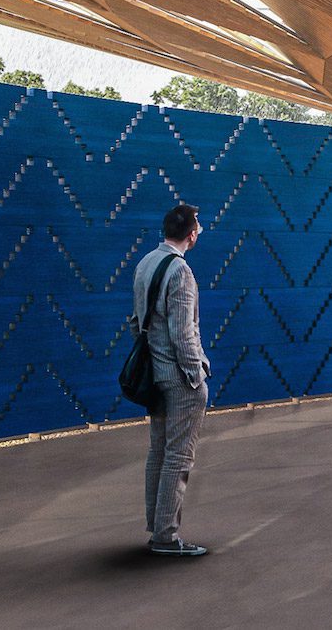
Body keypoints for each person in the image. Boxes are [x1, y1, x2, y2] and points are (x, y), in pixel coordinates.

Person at [132, 203, 213, 555]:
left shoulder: (146, 262)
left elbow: (136, 322)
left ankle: (157, 526)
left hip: (154, 375)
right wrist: (197, 376)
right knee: (179, 457)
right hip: (179, 379)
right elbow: (184, 333)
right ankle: (165, 537)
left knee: (158, 453)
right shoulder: (180, 271)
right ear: (191, 234)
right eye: (199, 225)